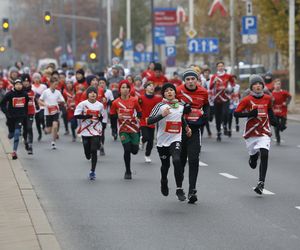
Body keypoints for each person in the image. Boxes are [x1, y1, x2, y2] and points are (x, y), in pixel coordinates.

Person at [234, 75, 277, 195]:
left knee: (264, 154)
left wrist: (275, 121)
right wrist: (249, 114)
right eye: (255, 84)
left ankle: (261, 183)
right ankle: (252, 157)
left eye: (260, 84)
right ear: (251, 87)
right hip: (251, 133)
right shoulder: (247, 100)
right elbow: (236, 114)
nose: (258, 86)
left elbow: (269, 110)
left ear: (263, 86)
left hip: (264, 131)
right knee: (253, 162)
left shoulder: (268, 98)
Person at [147, 83, 191, 201]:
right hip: (162, 141)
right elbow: (149, 121)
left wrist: (187, 128)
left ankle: (179, 188)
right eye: (166, 91)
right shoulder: (160, 106)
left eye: (171, 90)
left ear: (175, 92)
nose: (169, 92)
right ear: (163, 94)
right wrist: (162, 115)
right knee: (165, 166)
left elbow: (180, 118)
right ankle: (164, 180)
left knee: (177, 160)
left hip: (176, 138)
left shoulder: (181, 105)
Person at [176, 69, 209, 203]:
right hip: (179, 129)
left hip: (195, 129)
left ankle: (192, 190)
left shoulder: (203, 92)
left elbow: (206, 105)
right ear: (184, 81)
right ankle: (179, 187)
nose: (190, 81)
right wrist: (183, 108)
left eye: (193, 79)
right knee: (181, 161)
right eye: (188, 79)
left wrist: (206, 115)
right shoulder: (178, 91)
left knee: (194, 159)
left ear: (197, 80)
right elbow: (169, 104)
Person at [110, 80, 142, 179]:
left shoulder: (134, 100)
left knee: (135, 151)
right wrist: (117, 116)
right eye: (123, 87)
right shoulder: (115, 102)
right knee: (127, 149)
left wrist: (138, 118)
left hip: (134, 128)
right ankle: (128, 171)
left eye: (127, 87)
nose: (125, 89)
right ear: (119, 89)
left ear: (129, 89)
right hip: (123, 129)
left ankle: (136, 144)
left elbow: (139, 111)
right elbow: (112, 115)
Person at [74, 86, 105, 180]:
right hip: (85, 130)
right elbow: (76, 116)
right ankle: (88, 155)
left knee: (94, 150)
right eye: (91, 92)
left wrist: (99, 116)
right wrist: (86, 116)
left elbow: (102, 117)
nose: (93, 94)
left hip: (96, 130)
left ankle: (92, 171)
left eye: (94, 92)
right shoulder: (82, 104)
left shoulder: (100, 105)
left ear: (97, 94)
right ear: (87, 94)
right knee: (87, 153)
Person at [0, 79, 29, 159]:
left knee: (17, 133)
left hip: (20, 117)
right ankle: (10, 134)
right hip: (11, 117)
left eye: (20, 84)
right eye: (17, 84)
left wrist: (25, 114)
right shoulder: (9, 94)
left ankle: (14, 152)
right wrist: (6, 113)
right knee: (11, 135)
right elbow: (2, 104)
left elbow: (26, 104)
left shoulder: (25, 94)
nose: (19, 86)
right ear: (14, 85)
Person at [209, 61, 234, 141]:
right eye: (219, 66)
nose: (220, 67)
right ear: (217, 68)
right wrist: (213, 82)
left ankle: (225, 124)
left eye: (222, 66)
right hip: (217, 98)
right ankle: (218, 132)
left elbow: (233, 85)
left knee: (226, 113)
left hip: (225, 98)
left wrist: (229, 89)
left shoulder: (228, 76)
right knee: (217, 116)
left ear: (224, 67)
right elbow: (210, 87)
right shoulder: (214, 76)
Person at [39, 76, 65, 149]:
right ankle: (44, 128)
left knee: (55, 125)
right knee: (49, 131)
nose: (56, 86)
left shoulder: (58, 92)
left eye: (57, 84)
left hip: (55, 111)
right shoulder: (45, 92)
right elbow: (39, 100)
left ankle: (53, 142)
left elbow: (63, 100)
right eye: (55, 84)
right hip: (48, 112)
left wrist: (60, 102)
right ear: (50, 83)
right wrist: (45, 104)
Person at [139, 81, 162, 163]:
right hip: (143, 120)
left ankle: (147, 155)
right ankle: (142, 140)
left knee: (151, 141)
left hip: (152, 121)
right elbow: (137, 107)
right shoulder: (141, 98)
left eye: (153, 86)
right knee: (146, 136)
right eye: (149, 86)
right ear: (145, 88)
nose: (152, 87)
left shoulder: (157, 98)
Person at [271, 79, 292, 145]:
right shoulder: (272, 94)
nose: (277, 86)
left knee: (282, 125)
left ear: (280, 85)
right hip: (275, 111)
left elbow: (290, 97)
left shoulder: (284, 92)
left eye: (279, 84)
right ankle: (278, 139)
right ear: (274, 85)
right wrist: (272, 101)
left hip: (283, 111)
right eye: (276, 84)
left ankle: (282, 127)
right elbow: (270, 102)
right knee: (276, 126)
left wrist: (286, 103)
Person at [21, 74, 36, 154]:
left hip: (30, 112)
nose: (26, 83)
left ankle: (30, 145)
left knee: (29, 127)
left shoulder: (32, 92)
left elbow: (36, 100)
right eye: (24, 81)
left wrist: (37, 106)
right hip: (22, 113)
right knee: (25, 129)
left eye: (27, 81)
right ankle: (26, 142)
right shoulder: (20, 91)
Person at [31, 72, 47, 141]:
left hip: (42, 105)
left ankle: (43, 126)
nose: (36, 79)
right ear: (33, 79)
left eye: (38, 78)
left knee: (41, 117)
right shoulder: (31, 87)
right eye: (35, 78)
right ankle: (40, 134)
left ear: (40, 79)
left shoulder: (43, 86)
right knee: (37, 121)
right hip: (35, 106)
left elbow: (46, 95)